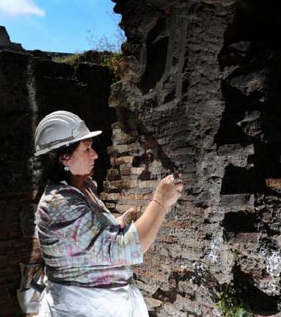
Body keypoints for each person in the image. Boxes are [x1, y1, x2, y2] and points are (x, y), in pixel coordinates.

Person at [33, 111, 183, 316]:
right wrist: (160, 201)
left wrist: (117, 223)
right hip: (83, 308)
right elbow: (124, 250)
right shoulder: (60, 203)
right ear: (64, 157)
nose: (94, 154)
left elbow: (88, 241)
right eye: (86, 148)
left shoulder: (83, 188)